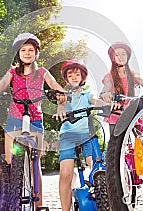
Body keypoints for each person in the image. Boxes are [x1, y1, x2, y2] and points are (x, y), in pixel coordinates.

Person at [0, 32, 65, 209]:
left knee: (35, 164)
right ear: (19, 53)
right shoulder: (12, 72)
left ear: (36, 53)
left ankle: (39, 205)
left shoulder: (42, 72)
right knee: (9, 162)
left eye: (31, 50)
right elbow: (2, 85)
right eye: (23, 50)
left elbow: (55, 86)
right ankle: (8, 202)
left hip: (36, 119)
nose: (27, 53)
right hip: (15, 118)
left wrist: (61, 94)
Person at [56, 60, 119, 211]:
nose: (74, 77)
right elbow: (60, 107)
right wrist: (61, 112)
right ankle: (65, 209)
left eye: (77, 74)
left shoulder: (87, 95)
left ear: (83, 78)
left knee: (96, 167)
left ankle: (104, 199)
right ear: (66, 79)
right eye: (70, 75)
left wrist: (108, 106)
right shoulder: (65, 96)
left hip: (87, 134)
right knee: (66, 172)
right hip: (68, 134)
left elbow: (96, 102)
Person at [100, 42, 143, 137]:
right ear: (113, 58)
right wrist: (105, 94)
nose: (121, 57)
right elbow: (106, 88)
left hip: (132, 110)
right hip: (117, 111)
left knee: (139, 140)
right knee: (115, 144)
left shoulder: (132, 75)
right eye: (117, 54)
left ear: (127, 56)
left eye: (123, 54)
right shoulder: (109, 77)